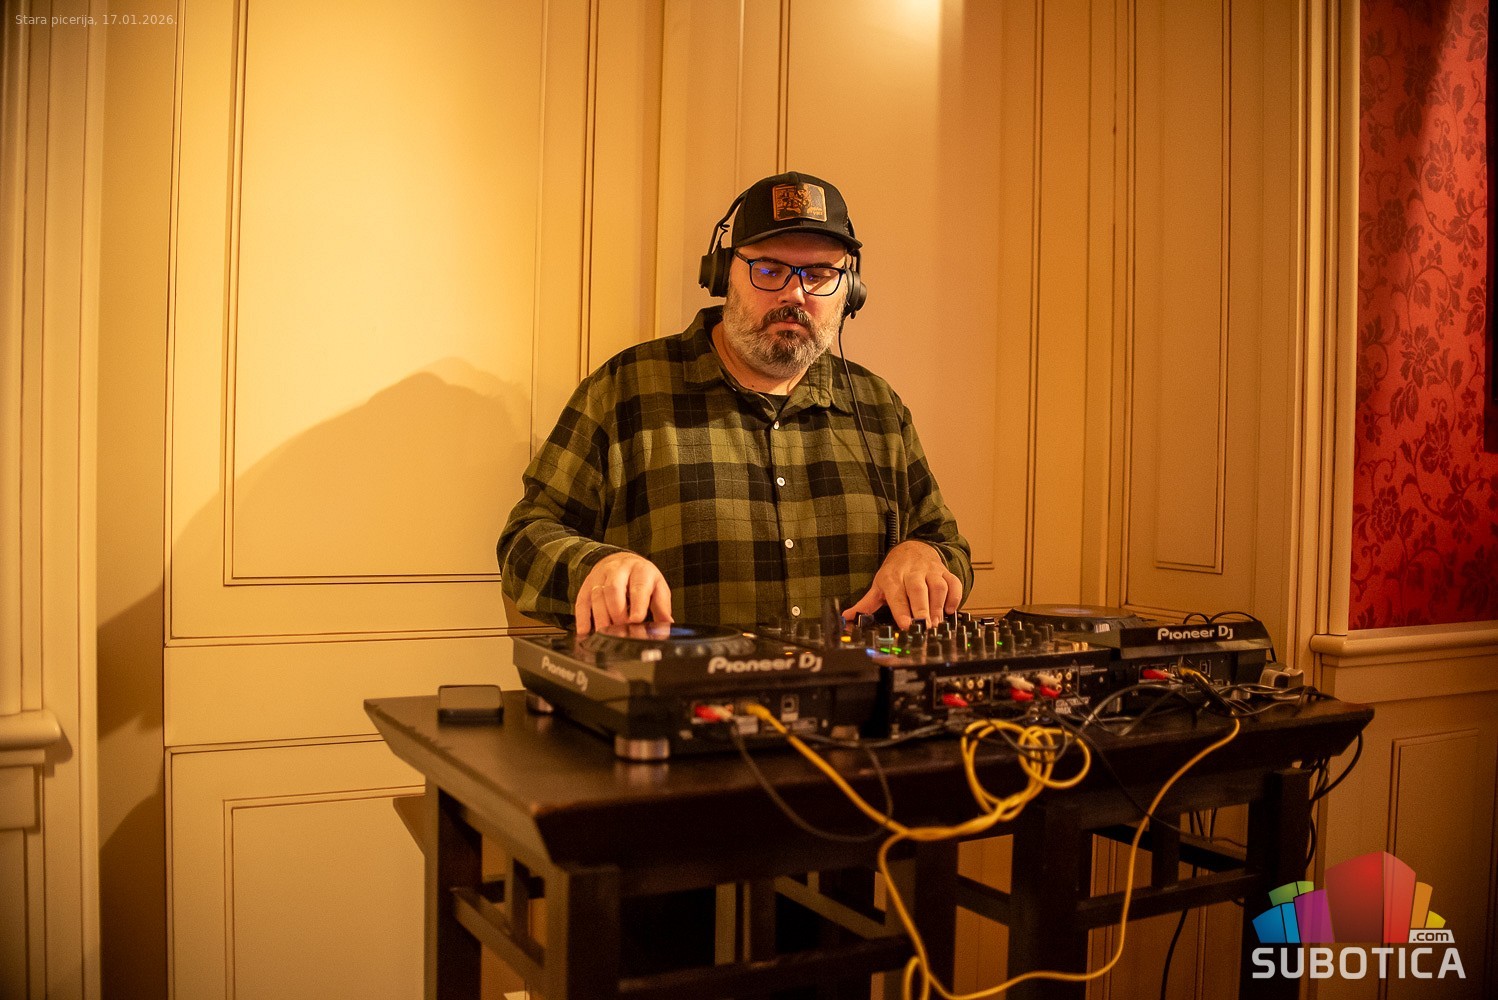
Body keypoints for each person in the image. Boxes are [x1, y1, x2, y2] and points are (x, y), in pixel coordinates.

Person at [498, 170, 971, 634]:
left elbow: (947, 546)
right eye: (769, 270)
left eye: (820, 274)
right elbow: (526, 539)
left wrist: (924, 555)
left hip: (851, 687)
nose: (795, 293)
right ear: (723, 274)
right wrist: (596, 567)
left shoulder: (879, 409)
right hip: (678, 686)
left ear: (850, 292)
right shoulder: (625, 390)